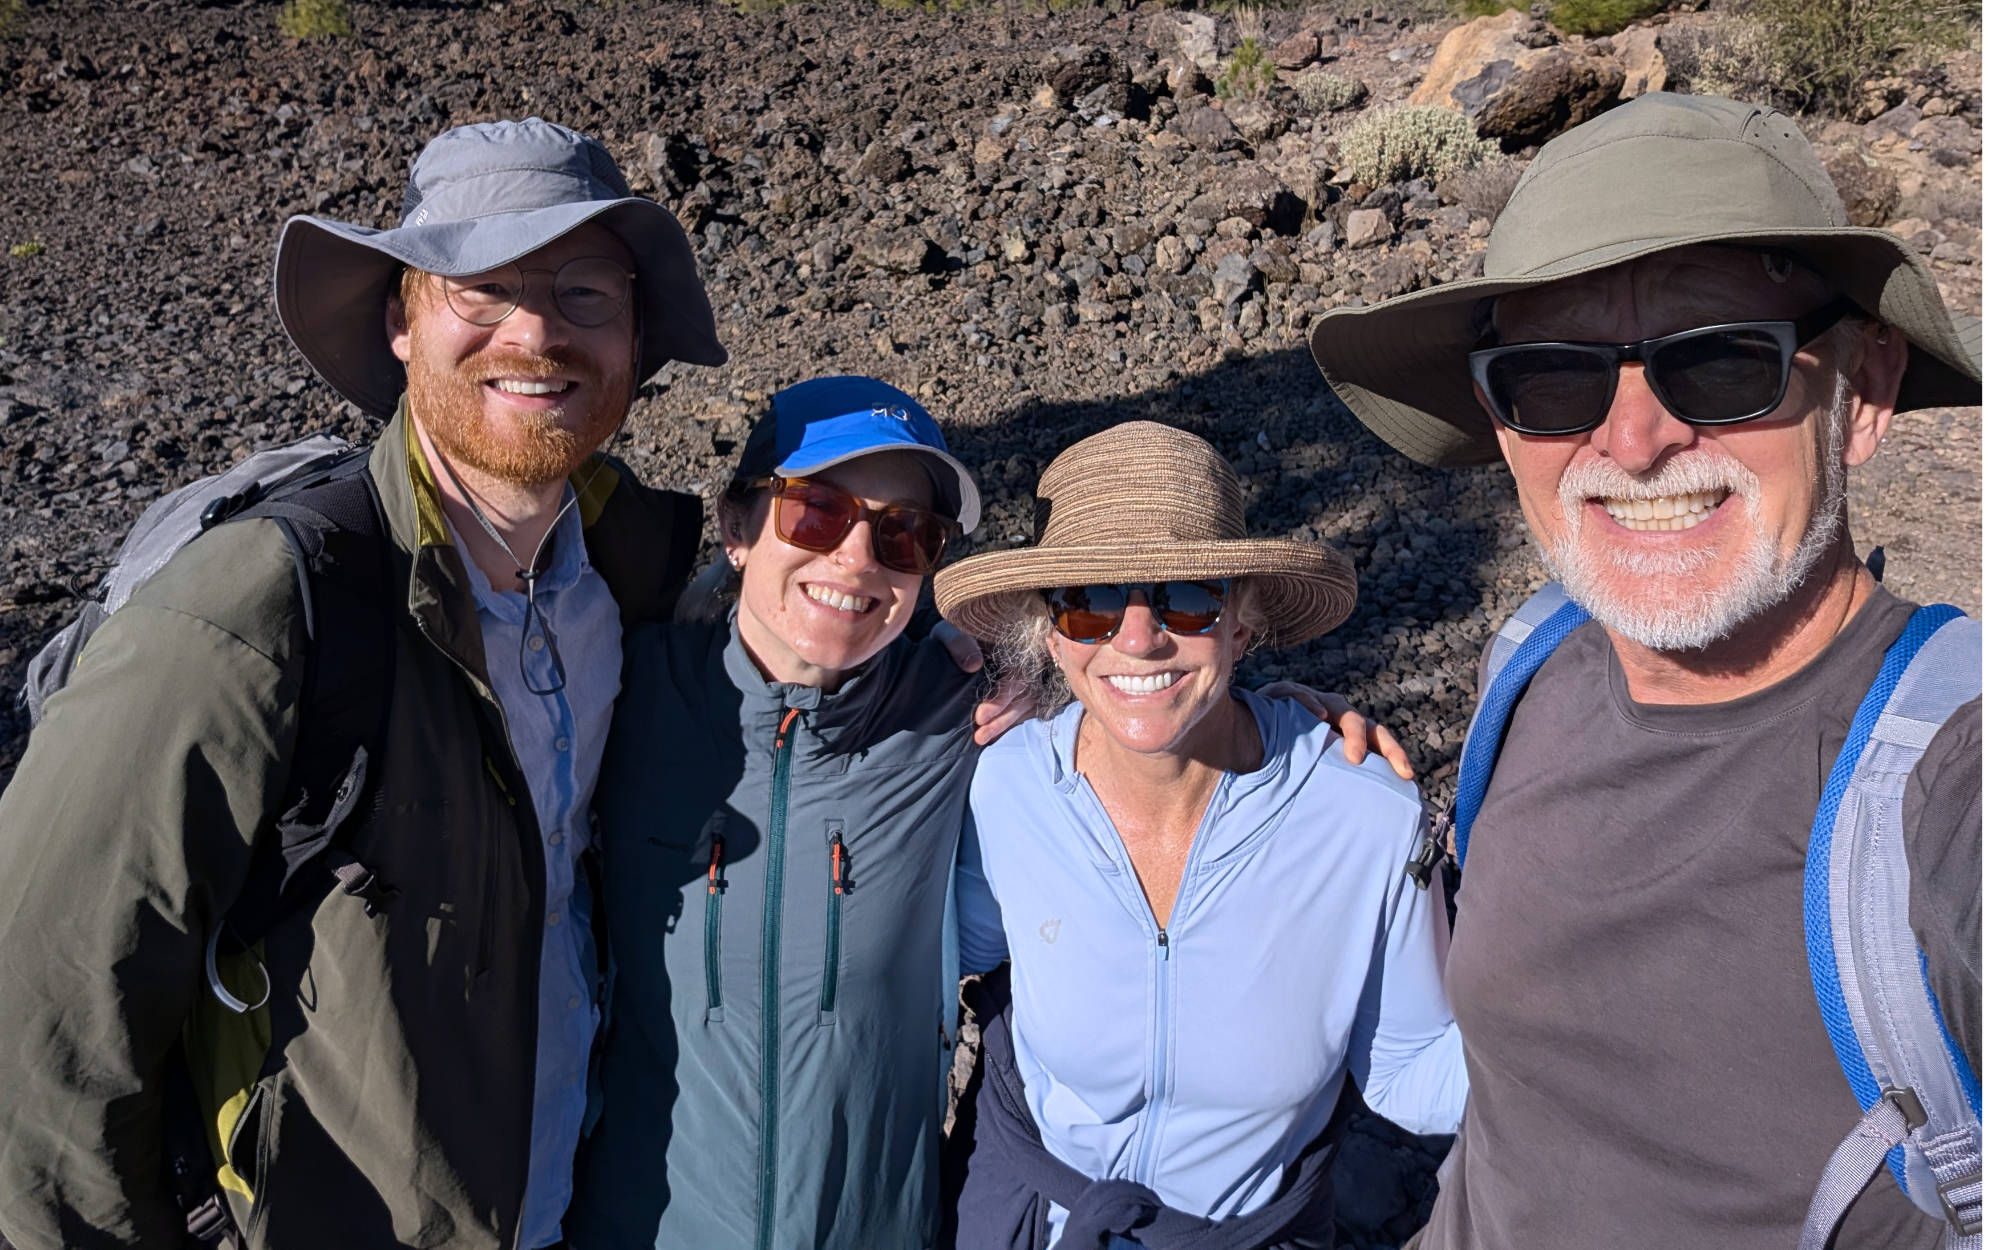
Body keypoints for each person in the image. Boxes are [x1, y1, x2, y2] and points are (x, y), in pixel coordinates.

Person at [0, 118, 728, 1250]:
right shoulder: (258, 605)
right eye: (479, 288)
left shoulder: (624, 567)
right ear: (401, 320)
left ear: (635, 334)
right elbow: (40, 1035)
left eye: (584, 289)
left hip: (563, 1208)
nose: (535, 330)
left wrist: (986, 674)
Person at [1306, 92, 1981, 1250]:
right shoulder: (1529, 663)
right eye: (1554, 379)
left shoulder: (1948, 790)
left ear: (1858, 391)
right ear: (1498, 416)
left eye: (1718, 363)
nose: (1631, 440)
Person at [568, 386, 1410, 1250]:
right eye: (816, 513)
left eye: (904, 534)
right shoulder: (612, 693)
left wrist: (1286, 725)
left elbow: (1134, 691)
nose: (858, 556)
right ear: (737, 530)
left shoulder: (960, 716)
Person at [935, 420, 1468, 1250]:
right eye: (1090, 603)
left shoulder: (1367, 817)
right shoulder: (1005, 785)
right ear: (1050, 636)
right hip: (1030, 1218)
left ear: (1241, 627)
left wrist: (1622, 1029)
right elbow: (932, 955)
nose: (1139, 636)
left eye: (1188, 595)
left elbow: (1410, 1069)